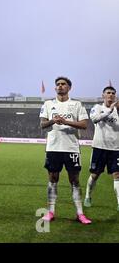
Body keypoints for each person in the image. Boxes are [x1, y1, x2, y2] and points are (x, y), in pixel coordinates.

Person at [39, 76, 91, 224]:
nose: (60, 86)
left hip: (71, 148)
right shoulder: (48, 104)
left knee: (74, 180)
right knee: (52, 179)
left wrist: (65, 121)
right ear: (55, 88)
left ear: (69, 87)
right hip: (53, 148)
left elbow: (84, 124)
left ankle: (80, 214)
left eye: (63, 84)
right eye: (58, 84)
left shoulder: (77, 104)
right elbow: (42, 125)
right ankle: (50, 212)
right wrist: (53, 120)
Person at [84, 86, 119, 211]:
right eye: (108, 93)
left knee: (117, 174)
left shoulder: (118, 111)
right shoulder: (97, 108)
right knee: (95, 175)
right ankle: (88, 196)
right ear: (103, 95)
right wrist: (110, 110)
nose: (110, 95)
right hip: (99, 147)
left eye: (113, 93)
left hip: (115, 149)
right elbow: (94, 119)